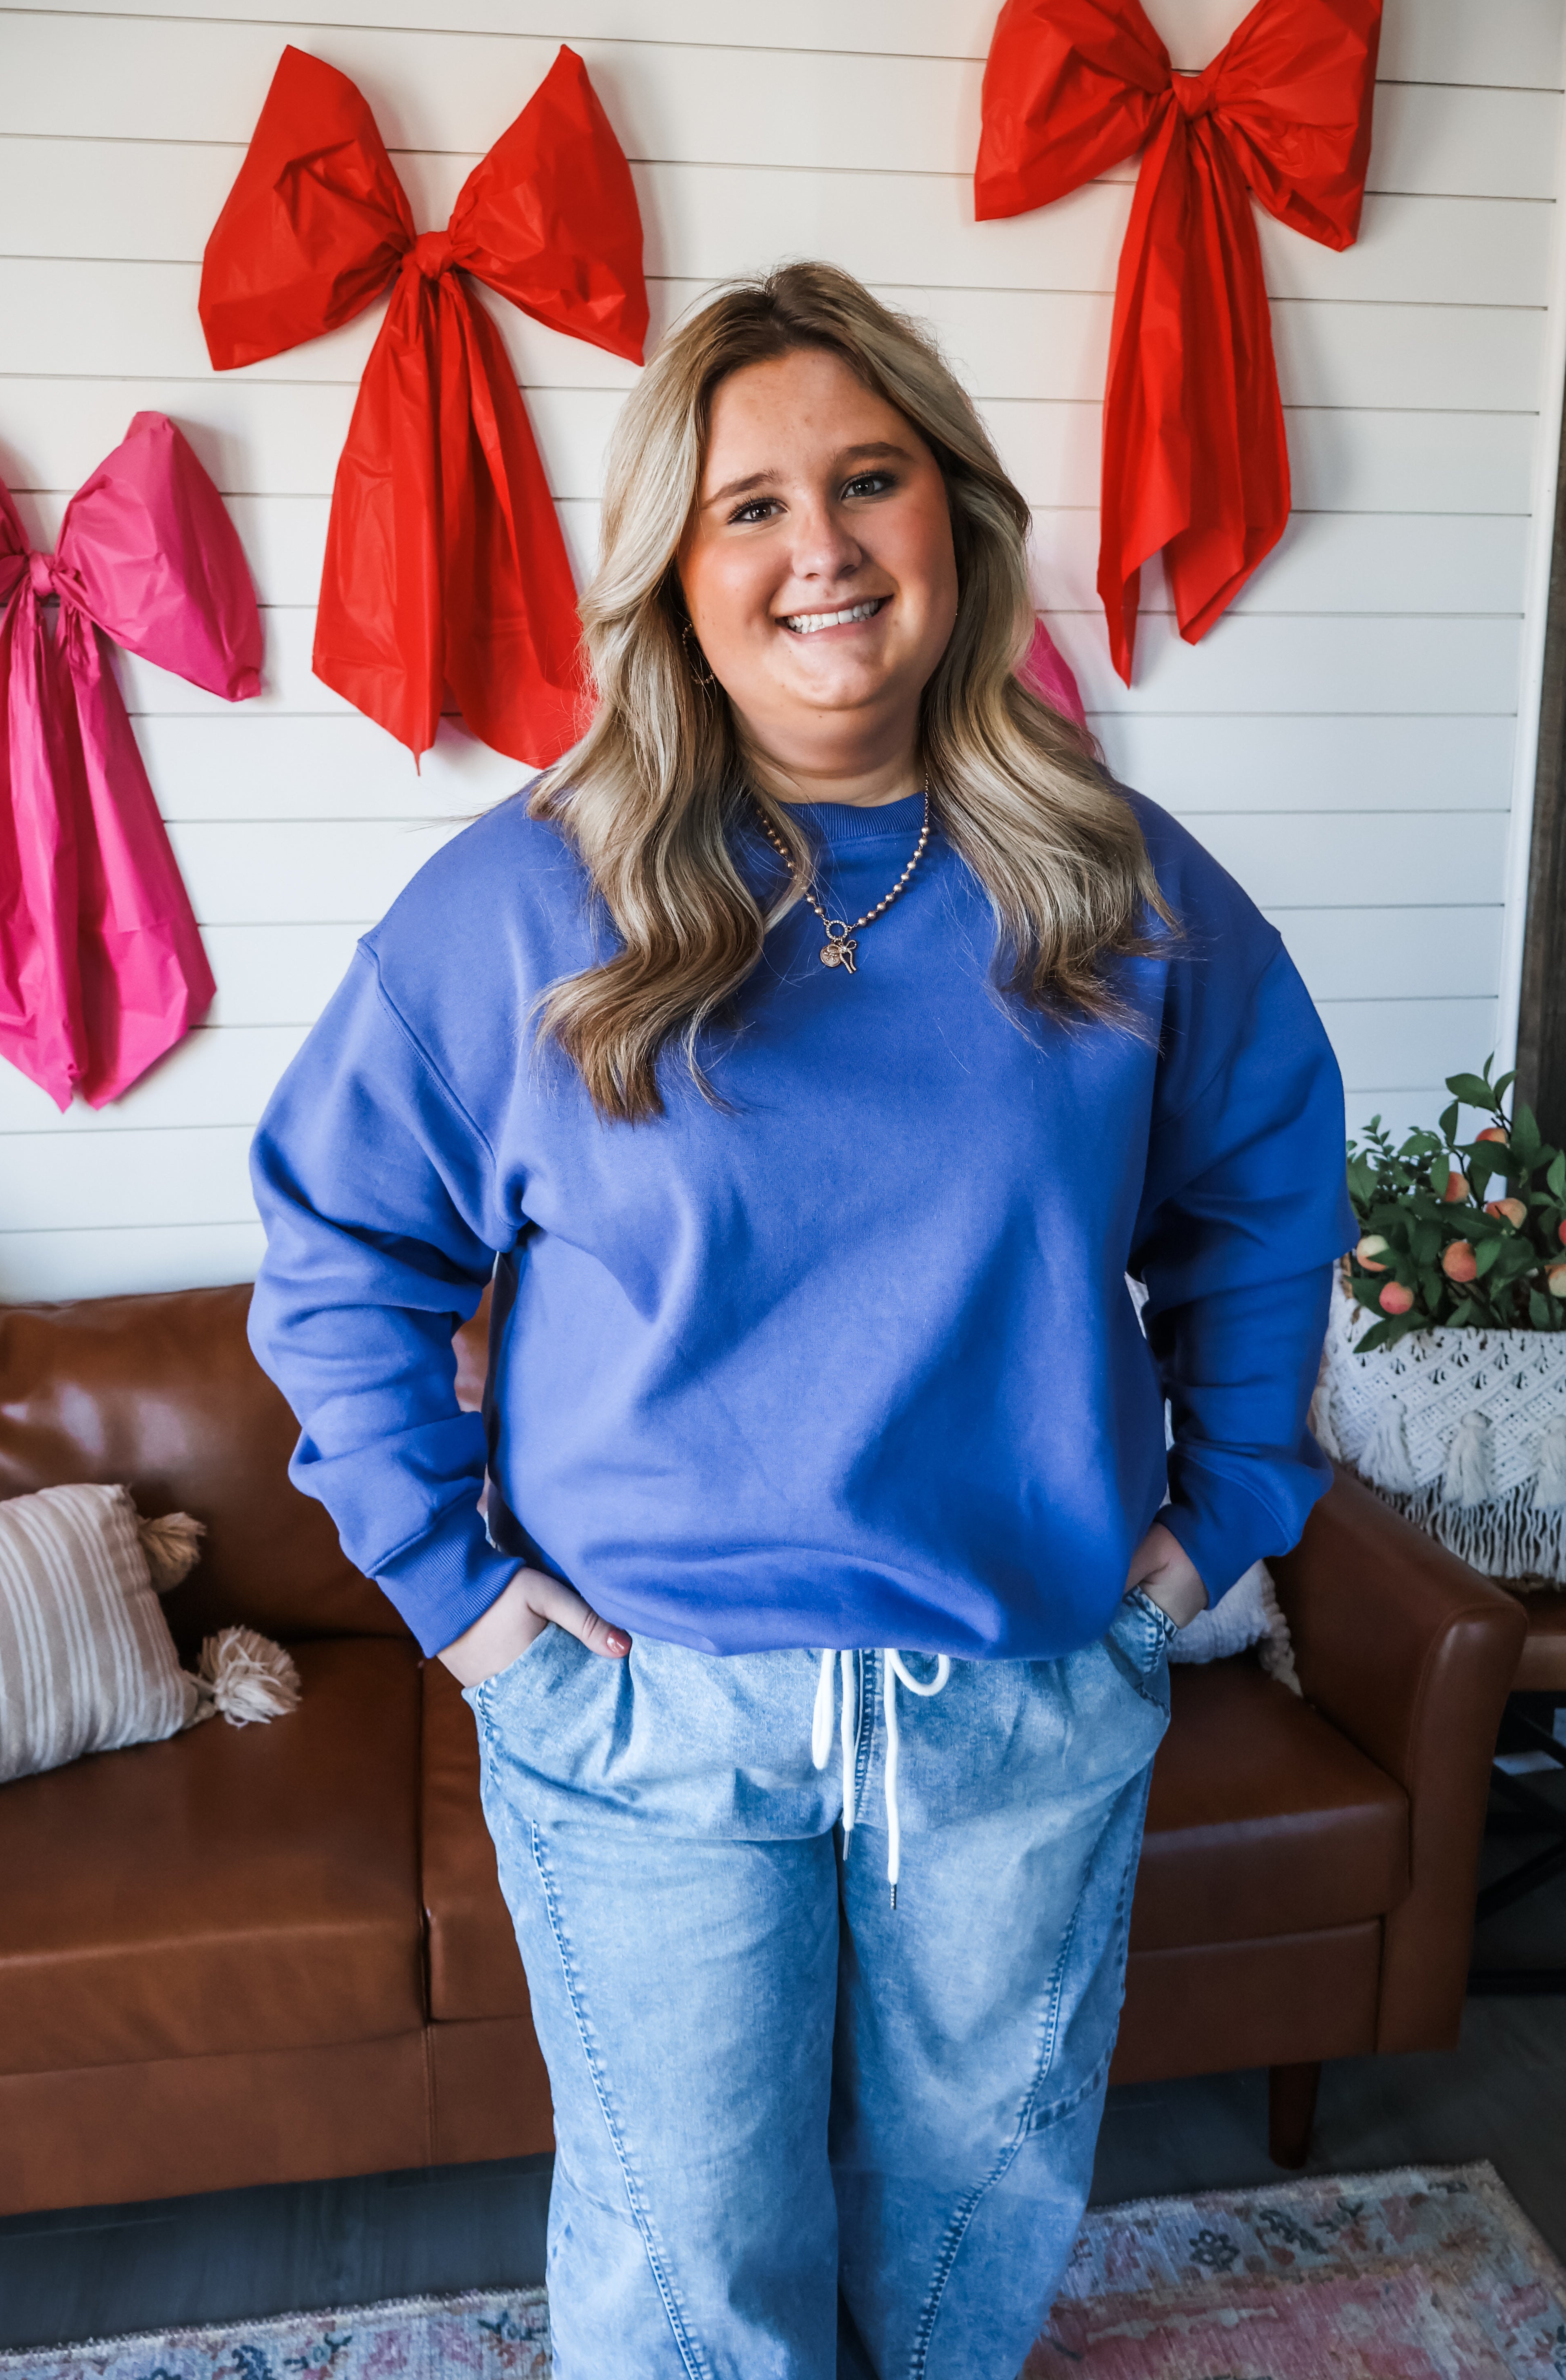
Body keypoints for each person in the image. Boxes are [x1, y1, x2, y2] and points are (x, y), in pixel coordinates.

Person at [249, 261, 1351, 2379]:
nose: (820, 547)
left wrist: (1224, 1516)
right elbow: (336, 1242)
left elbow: (1269, 1200)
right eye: (748, 505)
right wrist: (456, 1600)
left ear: (957, 516)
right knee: (691, 2279)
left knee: (969, 2241)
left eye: (868, 479)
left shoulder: (1124, 886)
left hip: (1022, 1693)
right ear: (675, 571)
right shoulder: (527, 899)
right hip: (650, 1717)